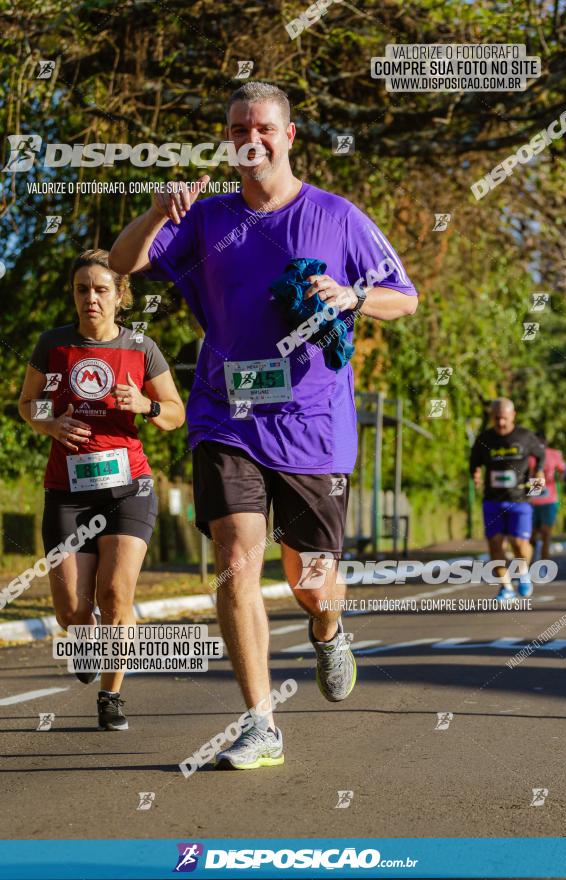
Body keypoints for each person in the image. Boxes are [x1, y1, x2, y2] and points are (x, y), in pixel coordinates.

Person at [109, 81, 418, 769]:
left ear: (288, 136)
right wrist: (158, 212)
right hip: (228, 414)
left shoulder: (336, 217)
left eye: (264, 125)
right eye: (237, 126)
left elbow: (406, 299)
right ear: (228, 138)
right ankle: (259, 722)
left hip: (312, 424)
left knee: (310, 580)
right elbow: (122, 264)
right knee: (235, 560)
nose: (251, 136)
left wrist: (353, 294)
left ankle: (328, 625)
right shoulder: (207, 217)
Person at [18, 249, 185, 730]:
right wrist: (51, 425)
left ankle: (112, 696)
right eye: (81, 289)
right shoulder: (53, 345)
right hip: (67, 491)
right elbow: (29, 405)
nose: (90, 298)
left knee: (115, 595)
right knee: (72, 609)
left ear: (119, 296)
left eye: (101, 289)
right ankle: (87, 640)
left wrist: (145, 406)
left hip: (128, 487)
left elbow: (176, 413)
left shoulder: (141, 348)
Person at [470, 398, 545, 602]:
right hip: (492, 500)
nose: (500, 423)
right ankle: (506, 587)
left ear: (513, 416)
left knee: (519, 543)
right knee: (495, 544)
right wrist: (475, 474)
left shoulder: (525, 436)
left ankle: (523, 574)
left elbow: (541, 455)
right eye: (496, 419)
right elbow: (474, 461)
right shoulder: (484, 438)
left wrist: (538, 476)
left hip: (520, 500)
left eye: (504, 418)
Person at [529, 436, 565, 561]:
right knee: (531, 536)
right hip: (532, 500)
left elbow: (563, 471)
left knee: (546, 533)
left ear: (545, 441)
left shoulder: (553, 454)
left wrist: (560, 477)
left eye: (541, 441)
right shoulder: (530, 455)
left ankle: (544, 565)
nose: (539, 444)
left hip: (549, 500)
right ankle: (532, 561)